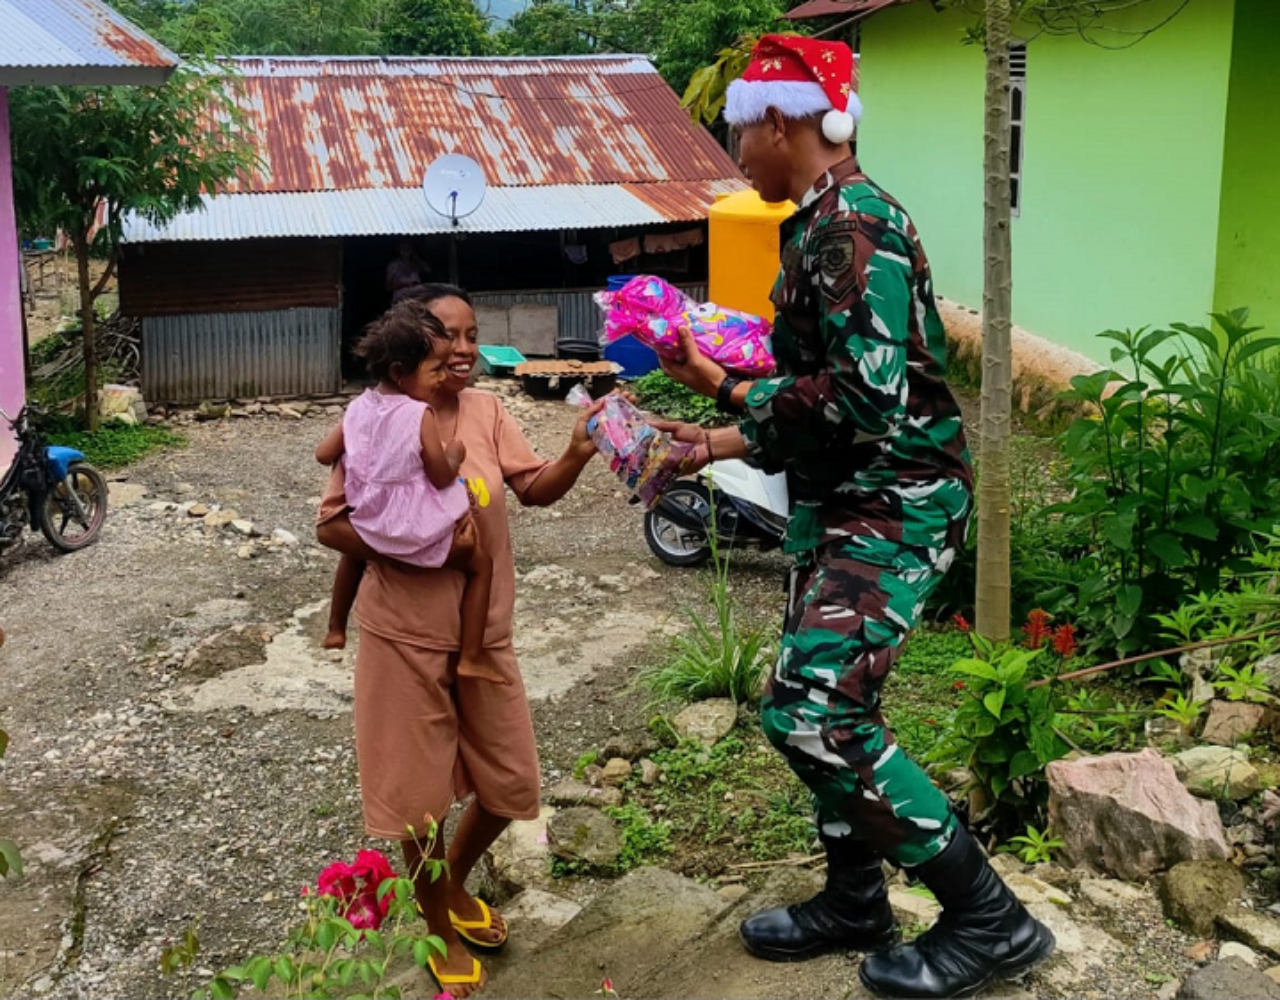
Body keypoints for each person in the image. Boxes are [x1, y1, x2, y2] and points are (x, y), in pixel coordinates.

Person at [654, 35, 1055, 1000]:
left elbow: (866, 404)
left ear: (782, 122)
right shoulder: (821, 222)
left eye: (738, 132)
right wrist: (718, 414)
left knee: (815, 712)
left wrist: (724, 409)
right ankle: (854, 899)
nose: (734, 154)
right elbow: (826, 385)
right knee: (825, 706)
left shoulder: (852, 228)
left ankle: (993, 921)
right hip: (845, 501)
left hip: (897, 505)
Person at [315, 283, 601, 998]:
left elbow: (532, 489)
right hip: (402, 636)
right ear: (413, 347)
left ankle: (455, 886)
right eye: (451, 335)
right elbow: (333, 525)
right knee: (418, 804)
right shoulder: (380, 420)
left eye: (473, 335)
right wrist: (431, 552)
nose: (466, 350)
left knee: (510, 786)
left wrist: (578, 451)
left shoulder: (486, 410)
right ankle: (439, 923)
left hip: (485, 632)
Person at [315, 300, 497, 684]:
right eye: (434, 370)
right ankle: (472, 656)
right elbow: (442, 476)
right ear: (400, 373)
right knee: (482, 564)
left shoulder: (358, 407)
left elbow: (323, 453)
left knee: (352, 556)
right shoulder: (419, 415)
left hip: (367, 520)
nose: (441, 378)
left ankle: (335, 628)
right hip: (411, 528)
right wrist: (456, 453)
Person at [385, 239, 430, 303]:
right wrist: (401, 285)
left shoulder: (415, 264)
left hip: (415, 296)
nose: (406, 250)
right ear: (398, 250)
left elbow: (427, 270)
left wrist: (416, 257)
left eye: (408, 248)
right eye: (403, 248)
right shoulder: (393, 265)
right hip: (400, 297)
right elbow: (387, 287)